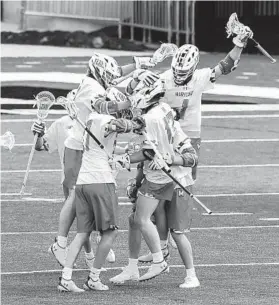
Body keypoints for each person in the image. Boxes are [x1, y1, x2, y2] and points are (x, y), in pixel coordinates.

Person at [138, 21, 254, 257]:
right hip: (165, 137)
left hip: (189, 138)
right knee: (156, 192)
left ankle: (170, 237)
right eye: (177, 72)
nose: (179, 76)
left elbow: (226, 65)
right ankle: (161, 244)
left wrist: (240, 43)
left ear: (192, 69)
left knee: (179, 190)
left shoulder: (200, 77)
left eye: (184, 73)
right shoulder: (164, 77)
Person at [48, 52, 155, 267]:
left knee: (82, 199)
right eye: (107, 74)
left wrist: (141, 64)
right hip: (80, 149)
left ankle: (88, 245)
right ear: (99, 72)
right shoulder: (92, 87)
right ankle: (61, 244)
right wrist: (131, 101)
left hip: (85, 147)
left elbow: (115, 76)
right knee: (75, 199)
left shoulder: (93, 81)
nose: (112, 78)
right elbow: (104, 106)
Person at [108, 71, 198, 283]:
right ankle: (132, 267)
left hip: (160, 177)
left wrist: (124, 160)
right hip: (157, 173)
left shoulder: (152, 117)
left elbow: (148, 151)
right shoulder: (162, 108)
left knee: (144, 220)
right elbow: (144, 135)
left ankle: (160, 261)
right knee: (134, 220)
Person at [57, 94, 143, 292]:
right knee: (110, 231)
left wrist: (125, 149)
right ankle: (94, 277)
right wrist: (137, 124)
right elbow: (115, 126)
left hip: (83, 182)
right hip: (100, 181)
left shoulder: (91, 118)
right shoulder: (105, 120)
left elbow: (105, 145)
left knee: (82, 232)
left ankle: (66, 278)